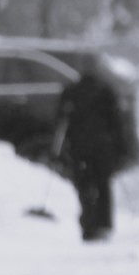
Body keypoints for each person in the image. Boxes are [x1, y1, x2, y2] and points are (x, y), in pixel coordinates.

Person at [56, 61, 126, 242]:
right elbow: (116, 121)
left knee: (84, 185)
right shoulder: (105, 91)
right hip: (103, 147)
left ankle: (89, 224)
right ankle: (104, 223)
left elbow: (61, 120)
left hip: (80, 147)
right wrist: (120, 147)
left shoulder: (72, 92)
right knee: (103, 185)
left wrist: (62, 147)